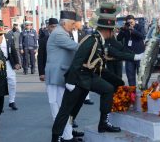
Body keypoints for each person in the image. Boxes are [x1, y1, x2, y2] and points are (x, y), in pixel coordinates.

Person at [51, 13, 124, 142]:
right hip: (76, 79)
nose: (114, 33)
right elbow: (78, 59)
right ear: (108, 31)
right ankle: (56, 138)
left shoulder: (98, 40)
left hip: (87, 78)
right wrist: (70, 81)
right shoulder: (91, 40)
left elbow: (100, 66)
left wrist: (119, 82)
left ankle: (103, 123)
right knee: (65, 110)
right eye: (113, 31)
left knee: (107, 89)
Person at [45, 11, 79, 142]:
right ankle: (61, 136)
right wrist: (90, 46)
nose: (74, 26)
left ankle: (67, 135)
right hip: (56, 76)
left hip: (61, 75)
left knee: (64, 108)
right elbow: (76, 47)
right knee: (57, 107)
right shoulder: (59, 33)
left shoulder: (64, 32)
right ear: (64, 23)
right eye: (72, 24)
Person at [70, 15, 93, 106]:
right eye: (80, 22)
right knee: (72, 78)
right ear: (75, 23)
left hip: (81, 59)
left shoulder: (83, 33)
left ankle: (86, 97)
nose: (82, 24)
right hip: (71, 58)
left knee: (85, 77)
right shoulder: (68, 33)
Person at [117, 14, 146, 86]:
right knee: (130, 76)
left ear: (134, 21)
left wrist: (133, 30)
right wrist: (123, 30)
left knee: (141, 76)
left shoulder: (139, 27)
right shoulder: (125, 29)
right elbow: (118, 38)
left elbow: (142, 36)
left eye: (131, 22)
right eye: (128, 23)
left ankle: (143, 92)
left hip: (139, 54)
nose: (130, 24)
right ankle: (132, 92)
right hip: (129, 56)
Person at [1, 22, 22, 110]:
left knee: (12, 81)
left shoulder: (8, 37)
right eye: (1, 27)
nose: (3, 29)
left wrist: (17, 62)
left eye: (4, 27)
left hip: (8, 62)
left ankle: (11, 101)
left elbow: (13, 50)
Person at [37, 18, 58, 82]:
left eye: (56, 27)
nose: (54, 29)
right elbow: (40, 57)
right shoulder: (43, 40)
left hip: (61, 71)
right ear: (48, 27)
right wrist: (41, 73)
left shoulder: (64, 39)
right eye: (52, 27)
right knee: (52, 91)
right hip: (49, 71)